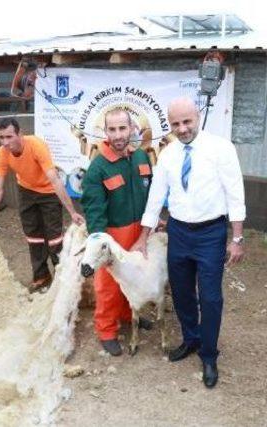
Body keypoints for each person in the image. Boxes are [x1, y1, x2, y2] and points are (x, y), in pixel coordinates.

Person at [131, 97, 246, 388]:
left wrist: (237, 238)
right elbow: (155, 199)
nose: (182, 129)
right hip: (179, 233)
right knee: (181, 293)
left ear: (197, 117)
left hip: (211, 233)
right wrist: (143, 238)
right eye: (175, 124)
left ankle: (209, 354)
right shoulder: (168, 154)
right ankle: (191, 339)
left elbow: (235, 193)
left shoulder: (221, 149)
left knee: (210, 297)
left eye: (187, 122)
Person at [0, 118, 84, 291]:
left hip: (49, 192)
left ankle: (63, 278)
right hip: (26, 191)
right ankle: (41, 277)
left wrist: (71, 211)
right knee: (33, 236)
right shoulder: (2, 154)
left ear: (20, 134)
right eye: (1, 138)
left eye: (9, 137)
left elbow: (55, 180)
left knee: (54, 238)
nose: (5, 142)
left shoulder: (36, 146)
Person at [80, 108, 154, 356]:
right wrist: (101, 243)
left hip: (139, 232)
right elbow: (93, 209)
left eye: (122, 128)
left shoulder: (142, 157)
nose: (118, 134)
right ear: (105, 131)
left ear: (132, 129)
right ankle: (107, 330)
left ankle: (127, 315)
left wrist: (152, 223)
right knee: (109, 286)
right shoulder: (98, 167)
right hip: (113, 234)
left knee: (133, 277)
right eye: (112, 129)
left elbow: (151, 194)